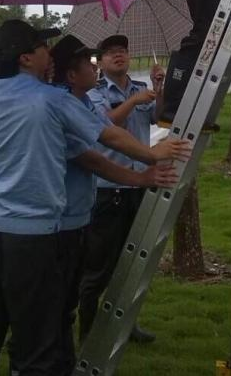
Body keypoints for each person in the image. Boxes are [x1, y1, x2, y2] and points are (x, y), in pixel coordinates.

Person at [0, 20, 187, 376]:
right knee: (36, 344)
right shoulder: (53, 100)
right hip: (32, 238)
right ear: (26, 58)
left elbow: (83, 153)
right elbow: (107, 138)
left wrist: (138, 176)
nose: (48, 52)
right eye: (41, 47)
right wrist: (152, 155)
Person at [77, 34, 166, 344]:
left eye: (123, 51)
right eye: (111, 52)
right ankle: (87, 333)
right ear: (99, 62)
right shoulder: (96, 93)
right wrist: (132, 102)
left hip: (139, 186)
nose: (119, 56)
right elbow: (104, 127)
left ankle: (127, 325)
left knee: (132, 265)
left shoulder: (142, 89)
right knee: (98, 267)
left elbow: (159, 118)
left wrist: (159, 88)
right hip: (109, 189)